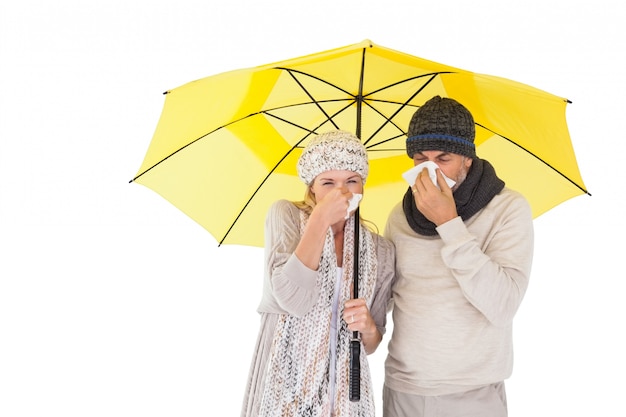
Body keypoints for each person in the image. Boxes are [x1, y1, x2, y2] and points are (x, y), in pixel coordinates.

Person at [383, 96, 534, 417]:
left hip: (472, 392)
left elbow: (503, 305)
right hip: (403, 389)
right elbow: (385, 298)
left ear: (467, 158)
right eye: (420, 158)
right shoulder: (399, 215)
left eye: (443, 158)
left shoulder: (508, 209)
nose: (430, 169)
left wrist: (448, 223)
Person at [240, 130, 396, 417]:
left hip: (346, 396)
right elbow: (292, 300)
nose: (342, 192)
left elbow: (372, 344)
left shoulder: (379, 250)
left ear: (363, 184)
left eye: (352, 181)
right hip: (285, 387)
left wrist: (369, 327)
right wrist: (320, 219)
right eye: (328, 183)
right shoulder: (285, 216)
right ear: (312, 187)